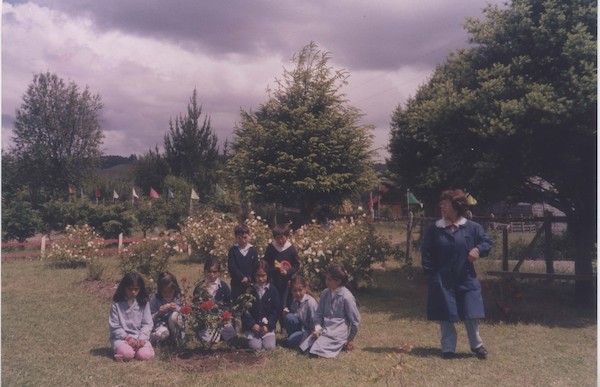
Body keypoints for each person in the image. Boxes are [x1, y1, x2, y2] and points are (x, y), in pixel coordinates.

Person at [421, 188, 493, 360]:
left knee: (471, 312)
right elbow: (426, 251)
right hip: (443, 279)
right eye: (441, 203)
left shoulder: (472, 228)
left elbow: (487, 242)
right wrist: (432, 272)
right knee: (445, 315)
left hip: (466, 277)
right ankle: (448, 348)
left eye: (445, 203)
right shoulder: (435, 229)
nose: (442, 206)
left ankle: (477, 345)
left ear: (456, 206)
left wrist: (478, 249)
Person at [305, 265, 360, 358]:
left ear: (338, 281)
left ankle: (342, 343)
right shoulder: (325, 293)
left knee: (313, 352)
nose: (326, 282)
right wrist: (317, 329)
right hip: (324, 328)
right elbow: (319, 313)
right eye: (326, 279)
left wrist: (350, 339)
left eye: (329, 280)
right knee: (301, 345)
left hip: (337, 332)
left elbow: (355, 321)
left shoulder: (347, 297)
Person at [109, 272, 155, 361]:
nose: (133, 292)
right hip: (121, 339)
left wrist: (142, 339)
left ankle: (140, 351)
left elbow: (147, 323)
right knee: (127, 354)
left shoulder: (143, 302)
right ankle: (123, 351)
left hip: (139, 338)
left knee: (144, 355)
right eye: (130, 289)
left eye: (136, 289)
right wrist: (127, 337)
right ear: (124, 288)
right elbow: (114, 325)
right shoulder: (117, 303)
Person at [263, 224, 300, 327]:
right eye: (277, 238)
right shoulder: (271, 248)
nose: (280, 241)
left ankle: (284, 326)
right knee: (272, 302)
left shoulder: (291, 249)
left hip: (285, 282)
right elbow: (265, 263)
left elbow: (296, 265)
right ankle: (271, 325)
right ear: (274, 238)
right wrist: (272, 269)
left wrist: (288, 272)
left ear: (287, 237)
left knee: (284, 304)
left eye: (282, 238)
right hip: (272, 280)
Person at [193, 256, 235, 342]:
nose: (212, 274)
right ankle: (209, 334)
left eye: (215, 272)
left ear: (219, 273)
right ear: (205, 272)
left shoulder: (223, 287)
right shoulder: (200, 287)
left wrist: (223, 314)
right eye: (209, 271)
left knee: (232, 336)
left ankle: (220, 334)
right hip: (206, 321)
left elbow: (229, 304)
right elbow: (196, 306)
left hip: (221, 320)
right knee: (211, 340)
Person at [241, 259, 279, 350]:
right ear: (254, 275)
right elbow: (244, 310)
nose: (261, 279)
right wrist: (252, 324)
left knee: (270, 347)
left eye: (263, 276)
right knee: (255, 347)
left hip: (267, 328)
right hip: (253, 328)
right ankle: (253, 339)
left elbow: (275, 311)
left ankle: (269, 337)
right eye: (258, 276)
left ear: (268, 275)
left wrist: (268, 325)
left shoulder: (273, 290)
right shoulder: (249, 290)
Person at [149, 272, 185, 344]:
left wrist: (176, 308)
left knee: (174, 316)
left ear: (174, 288)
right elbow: (149, 319)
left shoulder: (179, 297)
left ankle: (176, 340)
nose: (167, 294)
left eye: (170, 291)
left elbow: (186, 313)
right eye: (164, 292)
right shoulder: (155, 300)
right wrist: (158, 313)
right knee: (162, 335)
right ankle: (150, 338)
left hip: (176, 326)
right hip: (161, 326)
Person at [283, 275, 319, 349]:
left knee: (290, 341)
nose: (298, 293)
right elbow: (296, 316)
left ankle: (300, 341)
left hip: (311, 331)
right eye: (295, 291)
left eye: (300, 290)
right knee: (289, 317)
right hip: (302, 328)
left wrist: (315, 333)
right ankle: (295, 337)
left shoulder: (310, 303)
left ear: (305, 289)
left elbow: (315, 321)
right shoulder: (294, 301)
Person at [228, 224, 259, 300]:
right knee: (237, 302)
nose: (243, 240)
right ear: (236, 238)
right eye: (240, 238)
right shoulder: (233, 251)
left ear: (249, 236)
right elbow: (232, 266)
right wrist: (242, 277)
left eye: (245, 237)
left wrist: (248, 278)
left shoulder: (253, 250)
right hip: (237, 283)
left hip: (250, 283)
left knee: (250, 302)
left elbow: (255, 266)